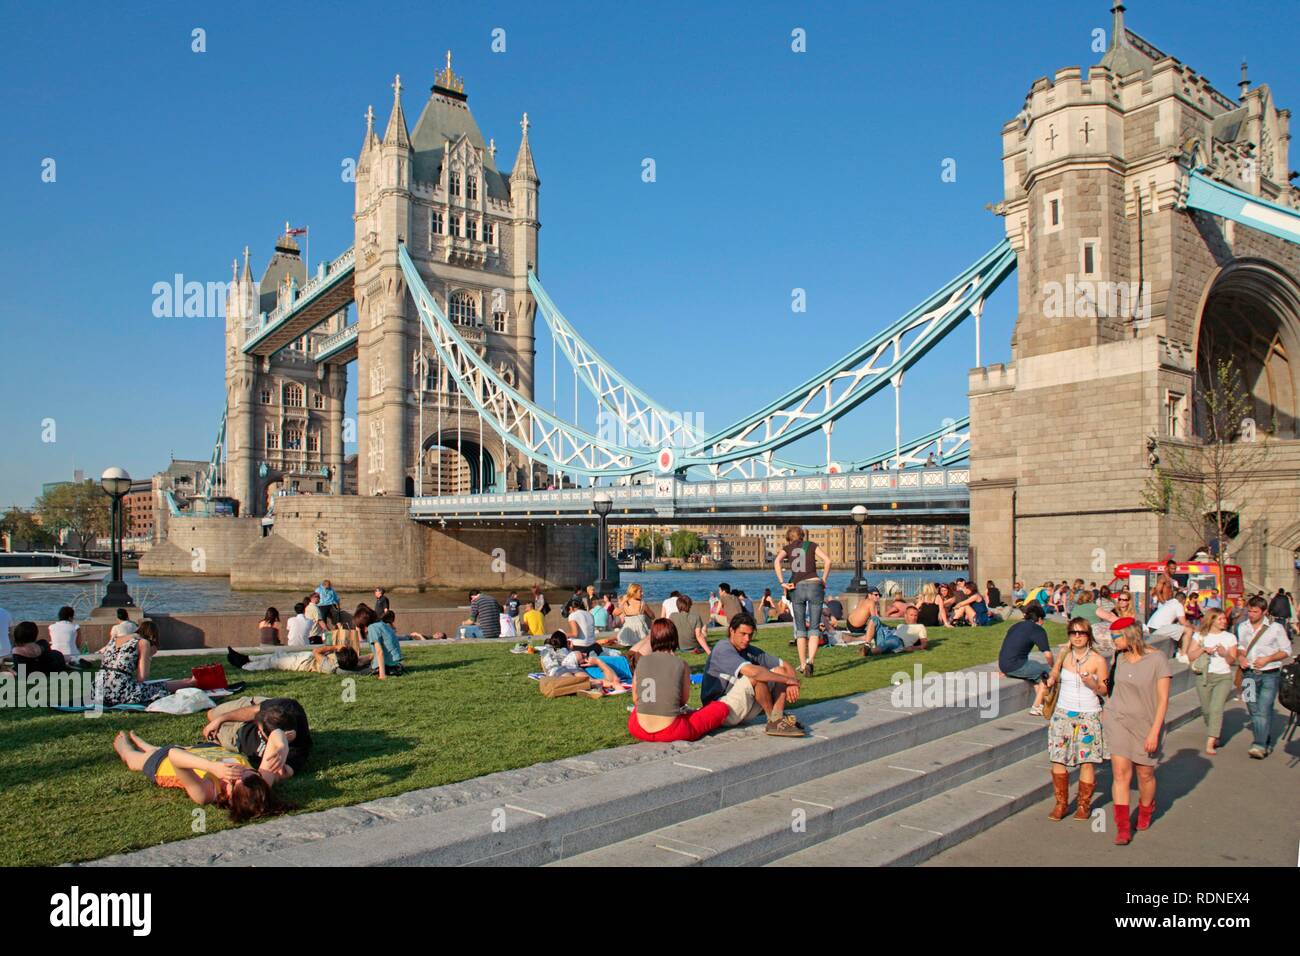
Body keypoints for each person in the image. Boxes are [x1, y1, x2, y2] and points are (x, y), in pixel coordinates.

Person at [1102, 619, 1172, 845]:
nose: (1113, 643)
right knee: (1120, 774)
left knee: (1145, 774)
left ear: (1130, 635)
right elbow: (1114, 689)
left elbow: (1163, 700)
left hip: (1147, 724)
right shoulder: (1119, 658)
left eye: (1116, 638)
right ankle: (1122, 828)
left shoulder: (1157, 659)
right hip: (1118, 720)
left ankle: (1146, 808)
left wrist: (1154, 732)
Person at [112, 731, 282, 822]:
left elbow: (174, 755)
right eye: (249, 770)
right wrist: (282, 747)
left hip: (162, 763)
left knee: (133, 758)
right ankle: (151, 747)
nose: (240, 768)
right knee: (165, 748)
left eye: (235, 775)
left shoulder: (206, 793)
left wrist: (212, 768)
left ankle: (126, 748)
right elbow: (276, 734)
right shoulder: (259, 785)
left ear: (230, 795)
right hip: (203, 750)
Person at [1042, 618, 1110, 821]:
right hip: (1063, 712)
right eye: (1073, 633)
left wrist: (1092, 684)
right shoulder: (1064, 655)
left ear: (1089, 636)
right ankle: (1061, 803)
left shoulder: (1098, 660)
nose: (1077, 636)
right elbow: (1054, 673)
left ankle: (1083, 804)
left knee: (1087, 761)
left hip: (1088, 714)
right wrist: (1050, 680)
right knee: (1057, 758)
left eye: (1082, 633)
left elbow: (1105, 690)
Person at [701, 613, 804, 737]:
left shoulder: (749, 650)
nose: (747, 639)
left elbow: (785, 666)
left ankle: (777, 718)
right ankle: (775, 721)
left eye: (750, 635)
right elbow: (754, 673)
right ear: (731, 631)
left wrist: (792, 681)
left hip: (740, 707)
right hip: (719, 709)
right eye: (743, 634)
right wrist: (787, 681)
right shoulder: (722, 648)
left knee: (780, 671)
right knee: (757, 675)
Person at [629, 619, 730, 742]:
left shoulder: (642, 662)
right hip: (671, 730)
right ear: (675, 638)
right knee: (720, 708)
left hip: (638, 727)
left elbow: (635, 699)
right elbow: (683, 700)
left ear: (653, 639)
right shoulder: (681, 664)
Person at [1235, 595, 1293, 758]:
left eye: (1255, 611)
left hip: (1270, 674)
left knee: (1263, 709)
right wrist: (1241, 657)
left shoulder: (1275, 628)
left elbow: (1286, 650)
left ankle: (1259, 745)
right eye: (1250, 610)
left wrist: (1268, 658)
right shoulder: (1242, 626)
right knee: (1252, 707)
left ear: (1264, 612)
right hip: (1248, 674)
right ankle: (1263, 734)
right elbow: (1241, 646)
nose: (1251, 614)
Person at [202, 696, 312, 779]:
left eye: (259, 728)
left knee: (209, 732)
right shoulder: (286, 708)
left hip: (236, 737)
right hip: (254, 706)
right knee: (211, 715)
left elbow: (281, 774)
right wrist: (221, 719)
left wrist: (282, 753)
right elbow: (253, 711)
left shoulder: (297, 751)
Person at [97, 618, 196, 707]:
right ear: (153, 637)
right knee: (160, 686)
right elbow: (142, 677)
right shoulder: (143, 642)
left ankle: (188, 681)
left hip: (98, 690)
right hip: (118, 693)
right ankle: (190, 682)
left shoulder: (114, 640)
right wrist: (147, 656)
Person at [775, 527, 831, 676]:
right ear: (802, 536)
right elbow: (827, 561)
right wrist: (823, 580)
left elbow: (776, 562)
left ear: (789, 538)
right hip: (814, 585)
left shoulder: (787, 548)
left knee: (800, 629)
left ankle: (802, 664)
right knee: (814, 627)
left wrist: (782, 582)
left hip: (796, 587)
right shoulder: (811, 545)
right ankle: (810, 661)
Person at [1185, 608, 1237, 755]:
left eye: (1224, 619)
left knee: (1216, 708)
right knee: (1207, 710)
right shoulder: (1200, 636)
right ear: (1211, 620)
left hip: (1223, 677)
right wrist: (1203, 650)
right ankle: (1215, 732)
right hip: (1204, 676)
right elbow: (1190, 656)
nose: (1224, 621)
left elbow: (1232, 659)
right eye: (1220, 619)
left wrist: (1224, 653)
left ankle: (1210, 741)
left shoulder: (1229, 637)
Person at [997, 603, 1054, 715]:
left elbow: (1009, 646)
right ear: (1040, 619)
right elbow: (1048, 655)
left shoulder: (1016, 625)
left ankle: (1043, 704)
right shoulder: (1037, 629)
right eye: (1043, 620)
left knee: (1036, 672)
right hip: (1016, 665)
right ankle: (1036, 707)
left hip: (1004, 664)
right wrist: (1053, 668)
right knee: (1046, 673)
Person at [227, 643, 369, 675]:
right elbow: (364, 659)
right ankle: (246, 657)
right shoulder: (345, 663)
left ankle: (243, 665)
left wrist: (335, 646)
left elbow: (317, 651)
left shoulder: (330, 666)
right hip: (304, 658)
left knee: (273, 662)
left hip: (300, 663)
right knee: (276, 655)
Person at [1145, 590, 1191, 657]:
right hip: (1159, 629)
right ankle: (1183, 655)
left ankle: (1178, 651)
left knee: (1179, 630)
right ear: (1183, 600)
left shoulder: (1168, 603)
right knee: (1188, 630)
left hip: (1151, 627)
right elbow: (1183, 622)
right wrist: (1194, 627)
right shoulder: (1178, 605)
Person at [368, 609, 404, 678]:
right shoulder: (386, 626)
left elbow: (380, 652)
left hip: (387, 663)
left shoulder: (377, 626)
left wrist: (382, 674)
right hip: (394, 661)